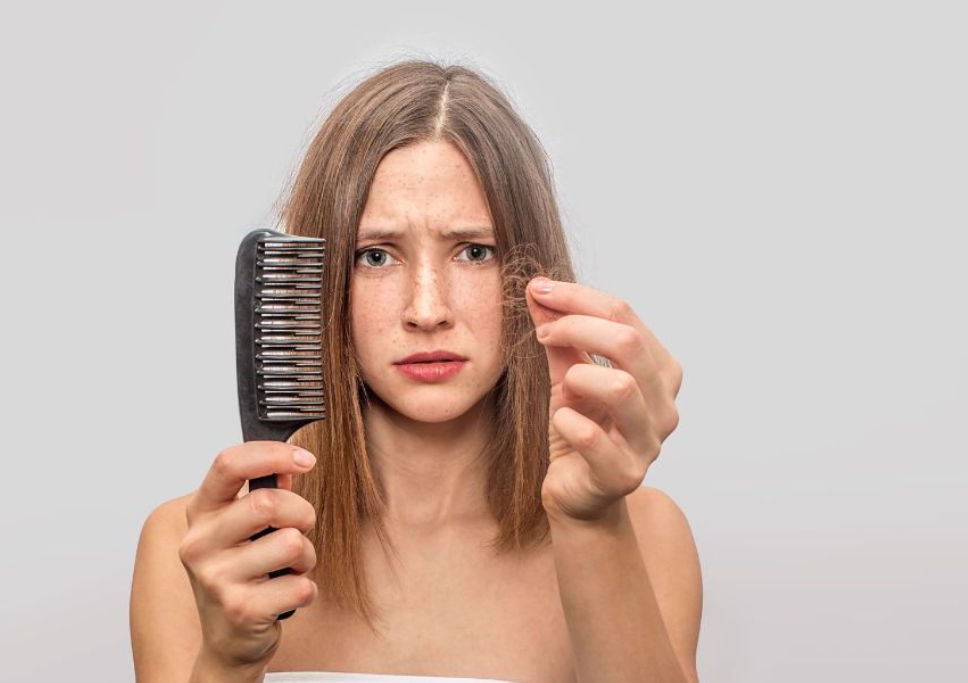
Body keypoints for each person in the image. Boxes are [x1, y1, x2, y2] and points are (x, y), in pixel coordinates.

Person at [130, 58, 702, 683]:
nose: (427, 310)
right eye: (375, 256)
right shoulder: (195, 550)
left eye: (474, 252)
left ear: (533, 275)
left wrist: (589, 523)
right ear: (321, 288)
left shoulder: (646, 537)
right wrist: (226, 661)